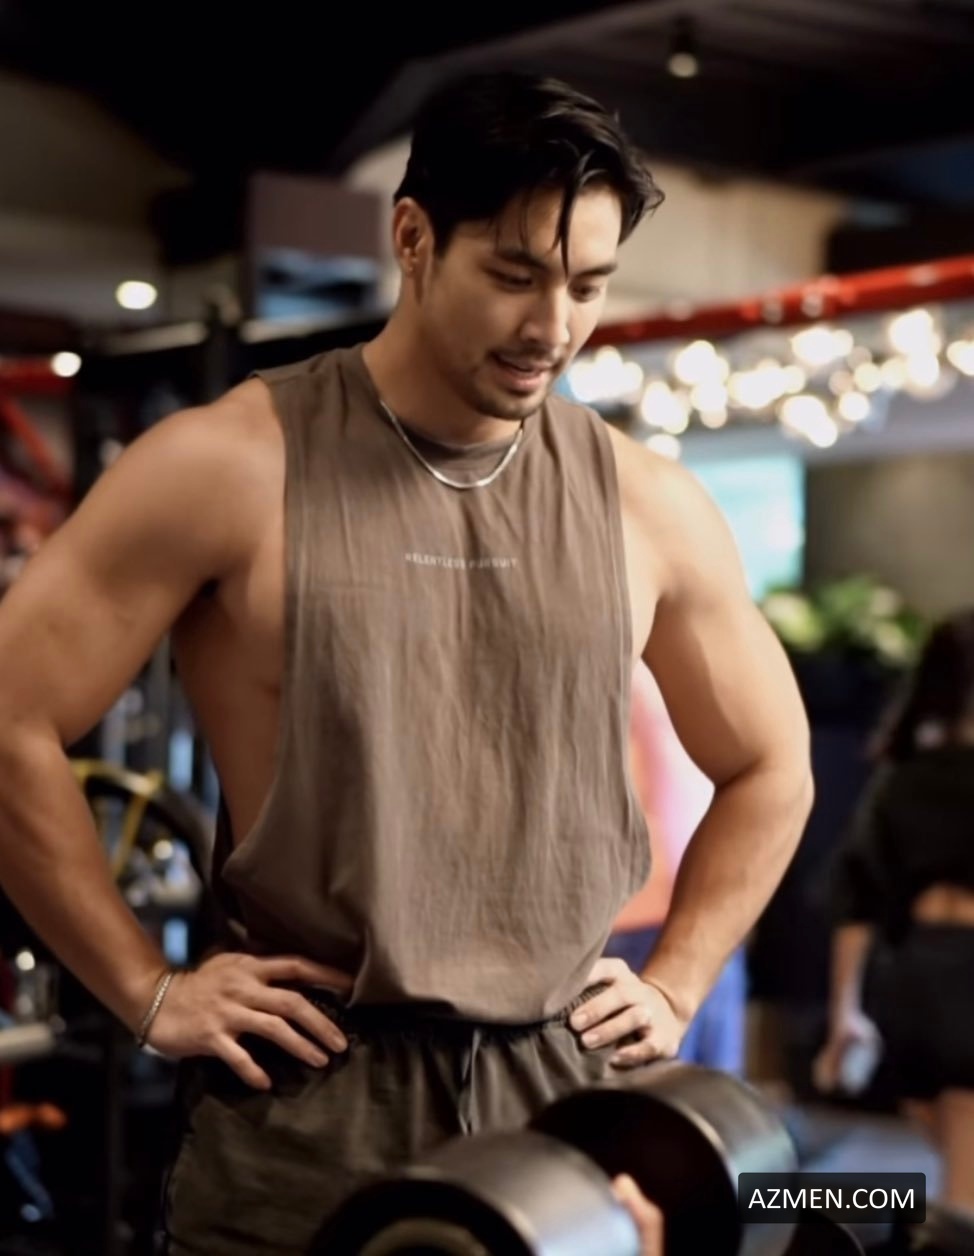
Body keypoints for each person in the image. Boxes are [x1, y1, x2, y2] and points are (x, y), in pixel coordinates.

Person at [0, 71, 813, 1254]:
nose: (552, 326)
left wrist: (678, 977)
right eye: (514, 273)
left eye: (587, 284)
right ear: (413, 238)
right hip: (311, 1099)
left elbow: (771, 763)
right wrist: (145, 987)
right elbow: (11, 716)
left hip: (561, 1099)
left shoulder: (646, 503)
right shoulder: (226, 465)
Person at [814, 609, 974, 1214]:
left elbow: (856, 901)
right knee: (963, 1190)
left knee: (953, 1161)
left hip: (914, 982)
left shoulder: (900, 776)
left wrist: (844, 1015)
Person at [605, 662, 748, 1075]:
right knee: (663, 1088)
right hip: (648, 910)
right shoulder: (628, 663)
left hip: (701, 907)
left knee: (705, 1088)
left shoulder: (663, 667)